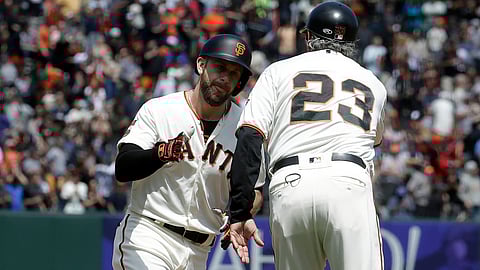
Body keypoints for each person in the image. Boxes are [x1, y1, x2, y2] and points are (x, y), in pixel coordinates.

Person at [226, 2, 387, 270]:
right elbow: (376, 139)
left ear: (309, 36)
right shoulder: (373, 83)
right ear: (351, 41)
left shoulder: (278, 71)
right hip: (347, 181)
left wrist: (240, 209)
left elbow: (250, 136)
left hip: (290, 183)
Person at [112, 34, 266, 270]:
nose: (225, 78)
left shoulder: (245, 129)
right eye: (219, 68)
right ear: (201, 65)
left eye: (234, 73)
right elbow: (123, 167)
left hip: (200, 251)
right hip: (149, 235)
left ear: (239, 83)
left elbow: (255, 190)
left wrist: (242, 212)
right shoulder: (160, 110)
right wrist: (160, 154)